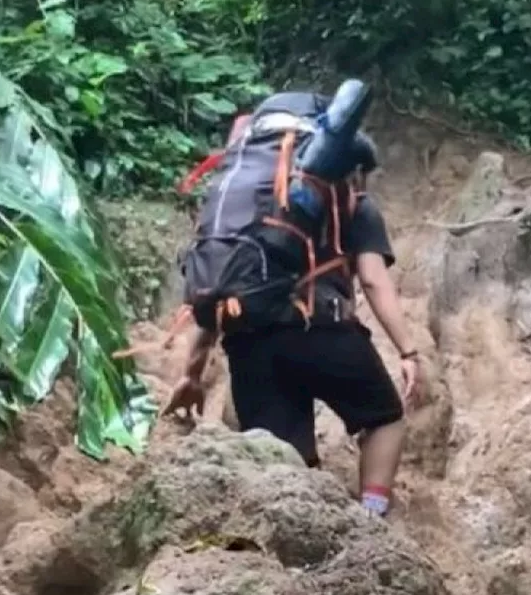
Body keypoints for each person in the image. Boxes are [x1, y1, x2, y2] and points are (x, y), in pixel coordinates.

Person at [164, 147, 421, 518]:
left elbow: (215, 296)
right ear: (355, 170)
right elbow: (372, 280)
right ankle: (371, 517)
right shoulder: (353, 204)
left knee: (286, 467)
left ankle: (295, 546)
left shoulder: (245, 215)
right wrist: (408, 352)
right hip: (324, 333)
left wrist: (191, 375)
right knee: (385, 419)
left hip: (250, 343)